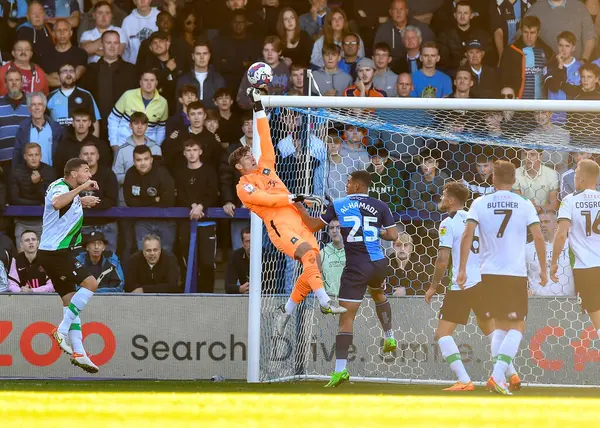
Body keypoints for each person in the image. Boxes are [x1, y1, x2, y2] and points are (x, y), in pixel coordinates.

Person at [229, 88, 346, 327]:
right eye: (246, 157)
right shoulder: (243, 186)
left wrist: (259, 108)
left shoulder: (266, 167)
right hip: (281, 228)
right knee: (306, 253)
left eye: (251, 154)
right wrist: (295, 196)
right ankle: (325, 301)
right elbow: (269, 200)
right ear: (239, 166)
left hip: (298, 221)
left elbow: (265, 137)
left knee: (313, 261)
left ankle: (287, 309)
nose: (252, 157)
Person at [294, 170, 399, 387]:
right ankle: (389, 335)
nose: (346, 184)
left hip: (357, 266)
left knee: (346, 319)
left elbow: (313, 226)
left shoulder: (340, 203)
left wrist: (300, 208)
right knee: (378, 293)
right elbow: (393, 236)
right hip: (379, 264)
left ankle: (340, 371)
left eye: (349, 182)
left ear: (359, 186)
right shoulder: (380, 205)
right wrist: (373, 232)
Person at [458, 160, 547, 395]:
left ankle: (506, 375)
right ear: (514, 180)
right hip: (514, 273)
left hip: (488, 272)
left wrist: (462, 268)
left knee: (500, 327)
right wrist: (544, 270)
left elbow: (468, 234)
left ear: (493, 179)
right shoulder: (525, 203)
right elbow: (538, 238)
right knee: (517, 327)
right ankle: (497, 377)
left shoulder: (479, 202)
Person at [425, 181, 510, 391]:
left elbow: (443, 259)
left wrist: (433, 286)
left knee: (443, 334)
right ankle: (506, 377)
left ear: (451, 200)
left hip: (460, 285)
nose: (441, 199)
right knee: (491, 330)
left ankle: (464, 381)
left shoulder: (447, 223)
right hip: (482, 282)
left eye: (443, 195)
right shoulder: (476, 220)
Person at [37, 158, 100, 373]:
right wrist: (83, 189)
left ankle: (80, 353)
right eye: (86, 170)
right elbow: (56, 203)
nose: (89, 174)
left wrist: (83, 201)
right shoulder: (59, 186)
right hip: (56, 253)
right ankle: (61, 330)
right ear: (73, 173)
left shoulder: (70, 192)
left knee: (70, 303)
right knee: (91, 283)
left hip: (55, 253)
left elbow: (61, 209)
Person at [551, 159, 600, 346]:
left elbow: (561, 233)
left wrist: (554, 262)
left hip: (586, 268)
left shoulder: (569, 200)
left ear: (579, 178)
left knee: (597, 319)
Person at [173, 139, 219, 293]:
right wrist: (192, 205)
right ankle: (190, 294)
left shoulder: (209, 171)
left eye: (194, 149)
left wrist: (201, 205)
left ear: (200, 151)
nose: (191, 153)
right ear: (184, 153)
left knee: (206, 262)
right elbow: (178, 194)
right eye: (188, 150)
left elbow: (213, 192)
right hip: (186, 222)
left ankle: (207, 295)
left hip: (206, 223)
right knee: (187, 260)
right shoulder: (179, 172)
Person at [80, 30, 138, 136]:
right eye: (108, 43)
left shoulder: (131, 70)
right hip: (97, 128)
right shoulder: (91, 70)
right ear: (102, 45)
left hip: (124, 128)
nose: (112, 46)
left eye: (116, 43)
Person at [123, 145, 176, 252]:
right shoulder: (130, 173)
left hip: (164, 219)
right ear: (134, 161)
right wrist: (153, 200)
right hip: (142, 221)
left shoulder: (162, 172)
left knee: (166, 253)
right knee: (144, 253)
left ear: (151, 159)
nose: (142, 163)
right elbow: (129, 201)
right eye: (139, 160)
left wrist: (141, 200)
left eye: (146, 159)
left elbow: (169, 200)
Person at [107, 69, 168, 150]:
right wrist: (114, 144)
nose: (149, 83)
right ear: (140, 82)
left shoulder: (163, 102)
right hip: (123, 144)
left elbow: (161, 128)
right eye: (146, 80)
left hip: (148, 148)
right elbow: (113, 119)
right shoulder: (128, 95)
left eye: (152, 80)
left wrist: (156, 147)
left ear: (156, 82)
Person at [373, 0, 435, 72]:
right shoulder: (383, 30)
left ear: (407, 11)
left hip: (419, 68)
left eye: (401, 9)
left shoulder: (421, 28)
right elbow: (376, 53)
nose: (398, 13)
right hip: (392, 71)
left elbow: (432, 49)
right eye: (395, 9)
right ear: (390, 12)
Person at [436, 1, 495, 77]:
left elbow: (490, 57)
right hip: (453, 75)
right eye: (459, 13)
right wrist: (459, 62)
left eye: (465, 13)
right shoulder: (445, 35)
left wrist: (473, 61)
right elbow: (442, 59)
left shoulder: (482, 35)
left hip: (477, 74)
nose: (462, 16)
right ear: (455, 15)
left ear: (471, 15)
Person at [500, 16, 552, 100]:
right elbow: (504, 79)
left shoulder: (547, 52)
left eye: (532, 33)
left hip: (542, 104)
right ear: (521, 31)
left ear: (538, 33)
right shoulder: (511, 51)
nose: (529, 36)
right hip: (519, 104)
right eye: (525, 32)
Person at [79, 142, 119, 253]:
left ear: (98, 156)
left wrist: (93, 203)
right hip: (83, 225)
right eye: (85, 154)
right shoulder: (74, 176)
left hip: (106, 224)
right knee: (81, 262)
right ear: (80, 157)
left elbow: (112, 200)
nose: (89, 156)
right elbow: (67, 198)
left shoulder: (108, 174)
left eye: (92, 153)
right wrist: (81, 202)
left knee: (110, 260)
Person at [10, 142, 56, 239]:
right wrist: (38, 204)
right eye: (30, 155)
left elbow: (50, 199)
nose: (34, 158)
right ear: (25, 156)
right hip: (21, 220)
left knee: (42, 253)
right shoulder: (16, 171)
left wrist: (38, 183)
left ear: (41, 156)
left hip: (43, 221)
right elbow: (14, 199)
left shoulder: (49, 171)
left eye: (36, 155)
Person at [526, 0, 595, 62]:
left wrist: (584, 60)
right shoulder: (535, 9)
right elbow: (523, 37)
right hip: (546, 68)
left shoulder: (579, 7)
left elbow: (590, 36)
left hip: (575, 69)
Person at [527, 211, 574, 297]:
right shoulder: (527, 249)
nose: (542, 225)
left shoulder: (571, 245)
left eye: (546, 222)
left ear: (557, 225)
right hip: (537, 302)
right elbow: (518, 273)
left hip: (567, 302)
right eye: (539, 222)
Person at [47, 63, 102, 136]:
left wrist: (94, 143)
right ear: (59, 76)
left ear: (75, 75)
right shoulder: (50, 96)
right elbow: (44, 122)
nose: (68, 74)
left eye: (71, 71)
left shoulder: (86, 95)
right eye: (64, 71)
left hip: (81, 142)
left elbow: (95, 121)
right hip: (58, 142)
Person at [237, 36, 290, 109]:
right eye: (266, 50)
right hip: (258, 115)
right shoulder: (253, 71)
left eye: (273, 50)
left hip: (282, 116)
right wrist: (256, 102)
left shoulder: (287, 70)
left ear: (279, 52)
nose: (269, 54)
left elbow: (295, 94)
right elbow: (241, 99)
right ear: (262, 51)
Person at [54, 108, 111, 177]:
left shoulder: (100, 145)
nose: (81, 124)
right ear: (73, 123)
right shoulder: (63, 146)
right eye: (78, 120)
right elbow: (58, 170)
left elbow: (105, 169)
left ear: (89, 123)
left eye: (84, 120)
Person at [13, 92, 62, 169]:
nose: (37, 108)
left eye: (40, 104)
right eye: (33, 104)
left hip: (51, 175)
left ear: (44, 107)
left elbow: (61, 154)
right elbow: (17, 154)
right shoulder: (23, 129)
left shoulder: (55, 128)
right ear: (29, 108)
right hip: (28, 176)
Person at [176, 40, 225, 110]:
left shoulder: (218, 79)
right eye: (198, 54)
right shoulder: (183, 80)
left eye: (205, 53)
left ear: (209, 56)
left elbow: (222, 106)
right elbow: (179, 107)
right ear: (193, 56)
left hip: (213, 119)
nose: (202, 57)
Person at [39, 19, 87, 89]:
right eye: (58, 30)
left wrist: (54, 78)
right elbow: (45, 80)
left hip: (75, 97)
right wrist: (68, 77)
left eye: (65, 30)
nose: (62, 33)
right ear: (53, 34)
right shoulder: (45, 55)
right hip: (53, 97)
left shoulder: (81, 53)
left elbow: (76, 75)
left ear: (71, 33)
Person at [514, 149, 560, 213]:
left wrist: (539, 209)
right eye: (525, 154)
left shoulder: (551, 174)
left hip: (544, 215)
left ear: (541, 156)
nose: (528, 158)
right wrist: (528, 206)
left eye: (532, 155)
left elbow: (554, 205)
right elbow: (516, 202)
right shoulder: (516, 173)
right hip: (523, 213)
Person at [120, 0, 160, 64]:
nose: (142, 1)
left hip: (157, 64)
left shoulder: (160, 16)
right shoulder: (127, 21)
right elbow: (124, 48)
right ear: (134, 1)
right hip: (133, 65)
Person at [0, 69, 30, 152]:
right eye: (10, 80)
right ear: (5, 84)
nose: (14, 83)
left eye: (17, 80)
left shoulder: (32, 102)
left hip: (27, 160)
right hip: (3, 160)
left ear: (21, 83)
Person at [320, 219, 344, 296]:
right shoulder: (322, 253)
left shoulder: (353, 253)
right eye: (331, 228)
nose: (334, 231)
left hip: (350, 300)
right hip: (330, 301)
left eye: (338, 227)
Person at [225, 227, 250, 294]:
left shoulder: (267, 256)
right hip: (245, 295)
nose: (251, 244)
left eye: (254, 241)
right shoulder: (236, 256)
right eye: (248, 241)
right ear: (242, 244)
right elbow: (228, 286)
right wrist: (239, 289)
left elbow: (272, 286)